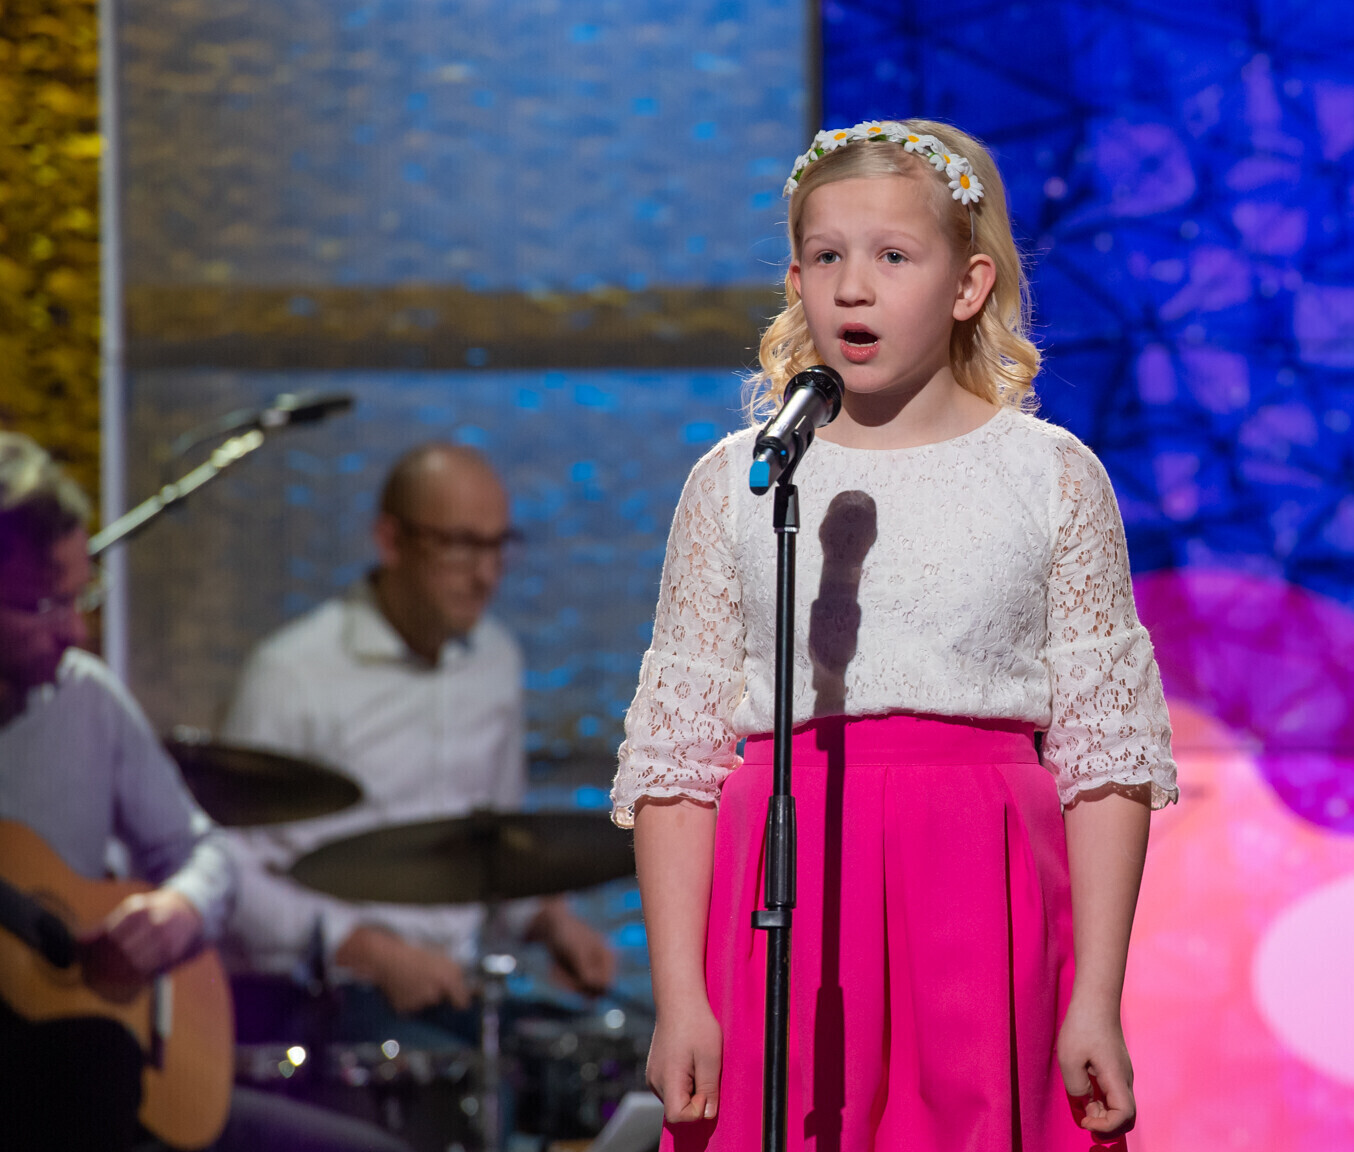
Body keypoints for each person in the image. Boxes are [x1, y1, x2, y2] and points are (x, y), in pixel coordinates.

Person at [613, 119, 1177, 1151]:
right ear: (795, 281)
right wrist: (679, 997)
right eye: (826, 257)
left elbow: (1105, 759)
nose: (854, 289)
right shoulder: (741, 482)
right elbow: (676, 762)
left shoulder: (1048, 476)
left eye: (892, 257)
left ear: (967, 285)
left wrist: (1096, 997)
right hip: (785, 889)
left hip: (982, 889)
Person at [0, 431, 405, 1152]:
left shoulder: (85, 698)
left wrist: (178, 912)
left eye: (80, 596)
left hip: (131, 1078)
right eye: (43, 605)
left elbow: (204, 852)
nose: (75, 631)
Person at [220, 442, 614, 1048]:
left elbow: (492, 847)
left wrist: (552, 921)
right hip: (330, 994)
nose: (486, 575)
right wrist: (367, 950)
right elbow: (228, 869)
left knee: (599, 1057)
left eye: (498, 546)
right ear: (391, 541)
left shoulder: (496, 659)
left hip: (454, 987)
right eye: (460, 546)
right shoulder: (292, 674)